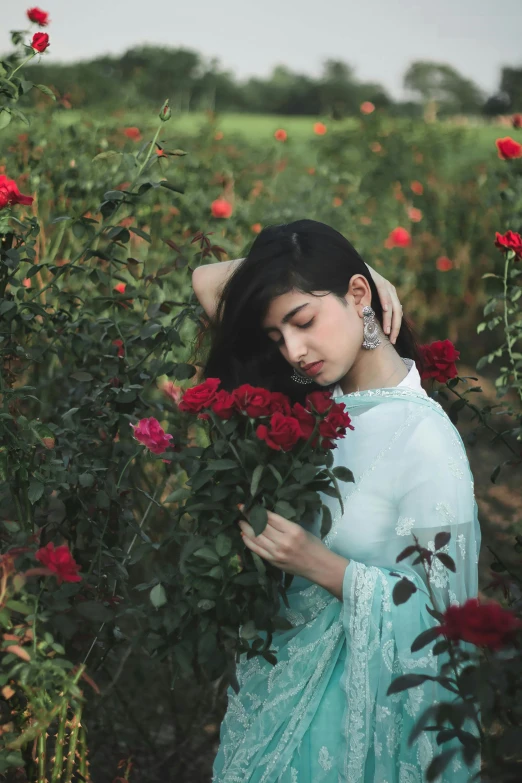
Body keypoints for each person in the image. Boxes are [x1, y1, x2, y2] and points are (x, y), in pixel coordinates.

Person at [192, 219, 481, 783]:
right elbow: (206, 280)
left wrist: (320, 566)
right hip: (275, 694)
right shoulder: (322, 406)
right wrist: (362, 273)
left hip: (352, 726)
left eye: (303, 322)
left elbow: (455, 628)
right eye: (277, 337)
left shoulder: (424, 438)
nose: (295, 352)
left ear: (356, 297)